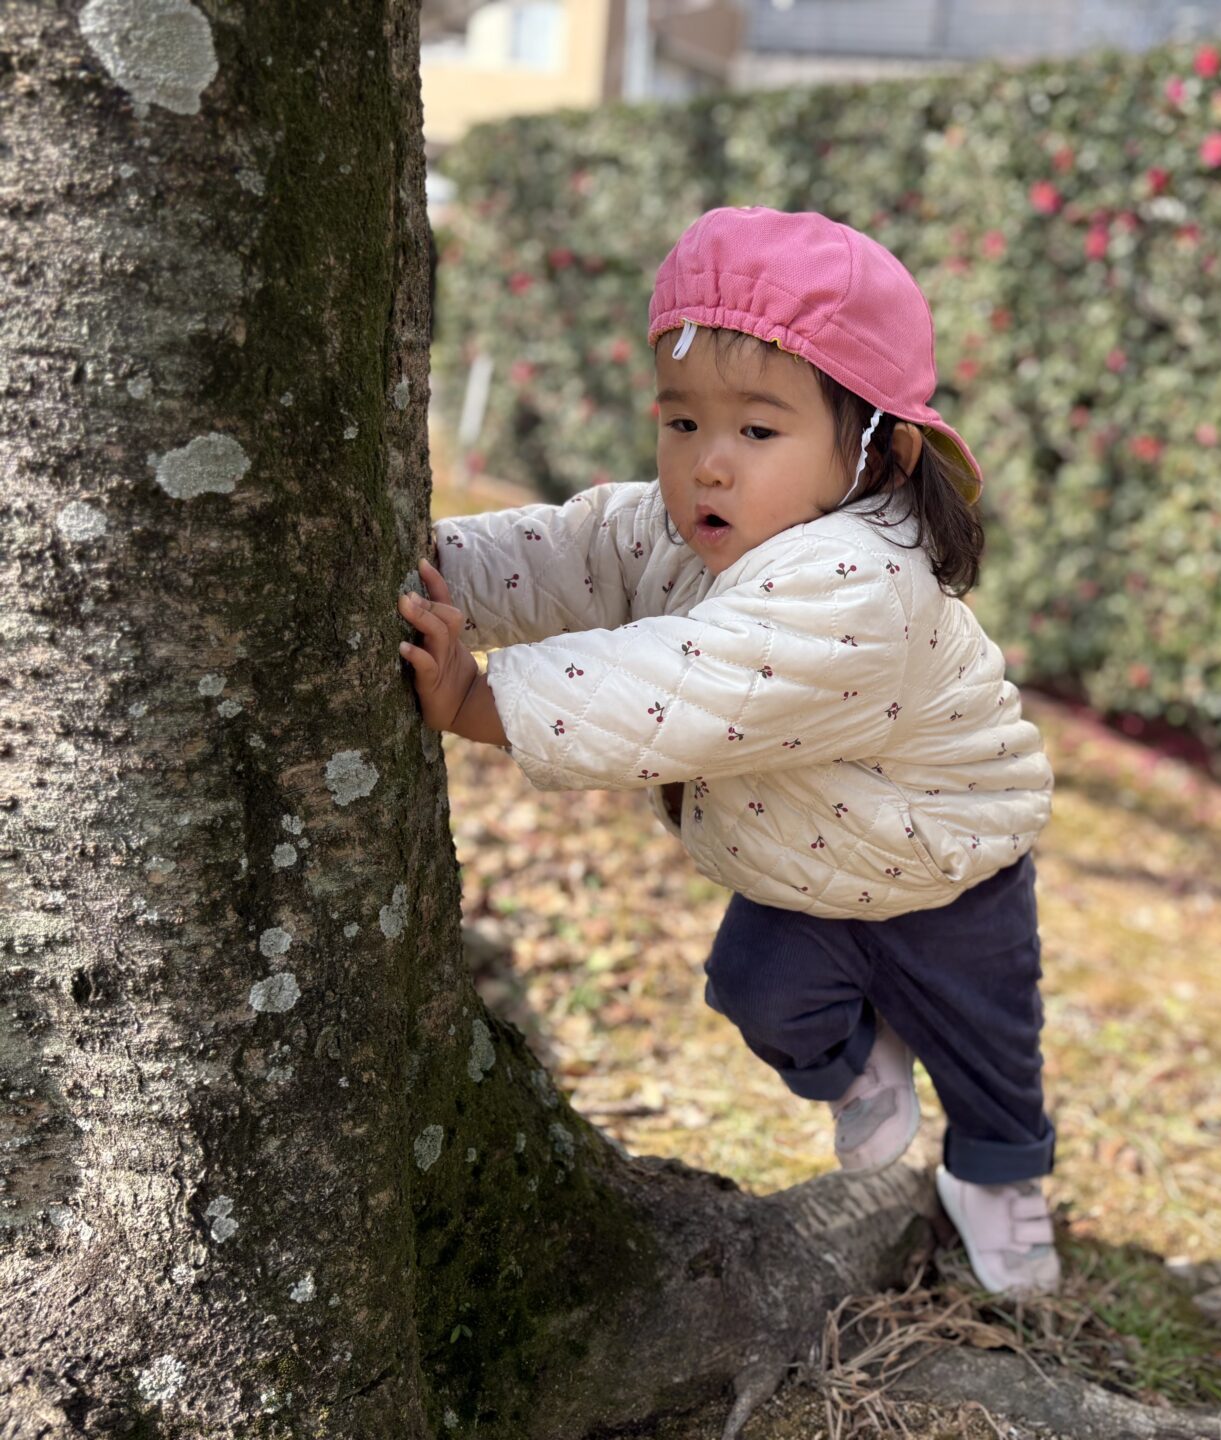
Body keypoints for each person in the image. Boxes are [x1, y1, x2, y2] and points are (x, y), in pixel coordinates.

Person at [397, 206, 1060, 1296]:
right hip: (806, 872)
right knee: (757, 993)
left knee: (993, 1056)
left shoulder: (863, 585)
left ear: (878, 450)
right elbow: (572, 550)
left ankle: (1001, 1181)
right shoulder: (690, 526)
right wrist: (435, 570)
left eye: (757, 432)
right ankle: (859, 1066)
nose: (707, 465)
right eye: (681, 421)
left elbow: (688, 685)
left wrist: (482, 699)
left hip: (954, 873)